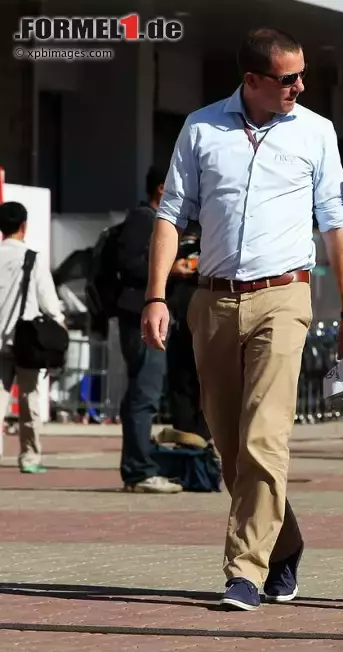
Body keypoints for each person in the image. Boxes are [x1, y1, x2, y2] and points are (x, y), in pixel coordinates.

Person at [143, 27, 343, 612]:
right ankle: (284, 543)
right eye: (287, 77)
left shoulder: (316, 132)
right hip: (212, 301)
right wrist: (156, 296)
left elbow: (336, 227)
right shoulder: (201, 128)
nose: (299, 85)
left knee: (266, 437)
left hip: (285, 299)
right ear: (252, 80)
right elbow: (170, 216)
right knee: (231, 449)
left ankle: (245, 570)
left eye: (302, 75)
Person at [115, 166, 184, 494]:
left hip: (142, 313)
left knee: (142, 392)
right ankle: (140, 470)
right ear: (161, 187)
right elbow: (129, 263)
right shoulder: (144, 219)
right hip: (140, 314)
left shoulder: (152, 220)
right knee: (145, 391)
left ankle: (137, 467)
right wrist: (173, 269)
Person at [0, 201, 65, 473]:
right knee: (30, 400)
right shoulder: (32, 258)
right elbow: (49, 304)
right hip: (27, 342)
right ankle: (29, 457)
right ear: (23, 225)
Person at [160, 220, 210, 448]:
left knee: (211, 386)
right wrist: (172, 268)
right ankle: (186, 443)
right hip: (180, 325)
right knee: (181, 386)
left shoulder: (215, 238)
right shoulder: (173, 241)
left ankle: (202, 440)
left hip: (209, 323)